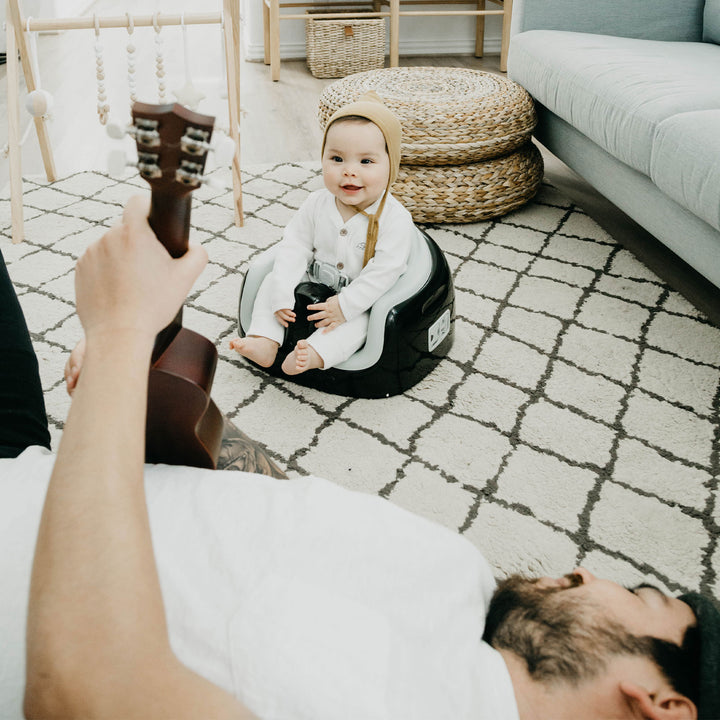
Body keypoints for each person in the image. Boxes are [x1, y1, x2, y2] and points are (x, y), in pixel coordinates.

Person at [1, 197, 718, 720]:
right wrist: (129, 389)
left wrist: (122, 326)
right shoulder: (466, 583)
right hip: (34, 458)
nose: (588, 571)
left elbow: (81, 688)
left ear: (664, 703)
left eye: (642, 600)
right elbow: (274, 511)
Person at [229, 91, 416, 375]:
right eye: (337, 159)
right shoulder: (316, 203)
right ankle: (264, 339)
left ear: (392, 166)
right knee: (270, 281)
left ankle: (316, 353)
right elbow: (295, 246)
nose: (349, 172)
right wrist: (282, 295)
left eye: (366, 162)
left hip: (359, 296)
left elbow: (385, 270)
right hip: (313, 280)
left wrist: (346, 304)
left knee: (362, 323)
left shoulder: (395, 218)